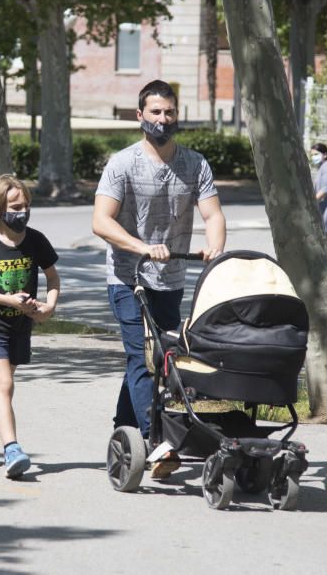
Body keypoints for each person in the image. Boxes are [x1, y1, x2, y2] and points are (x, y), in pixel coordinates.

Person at [91, 79, 226, 479]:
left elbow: (213, 215)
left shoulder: (195, 164)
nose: (163, 120)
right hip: (127, 278)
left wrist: (215, 250)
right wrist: (141, 246)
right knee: (143, 359)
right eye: (155, 113)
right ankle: (155, 443)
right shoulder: (123, 163)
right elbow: (101, 221)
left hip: (171, 279)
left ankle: (122, 423)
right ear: (140, 116)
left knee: (162, 361)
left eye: (169, 112)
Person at [0, 175, 60, 479]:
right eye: (15, 207)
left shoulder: (35, 240)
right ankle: (13, 449)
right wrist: (8, 300)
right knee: (5, 384)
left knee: (0, 388)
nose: (22, 212)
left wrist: (49, 306)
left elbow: (52, 277)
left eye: (26, 206)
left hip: (22, 325)